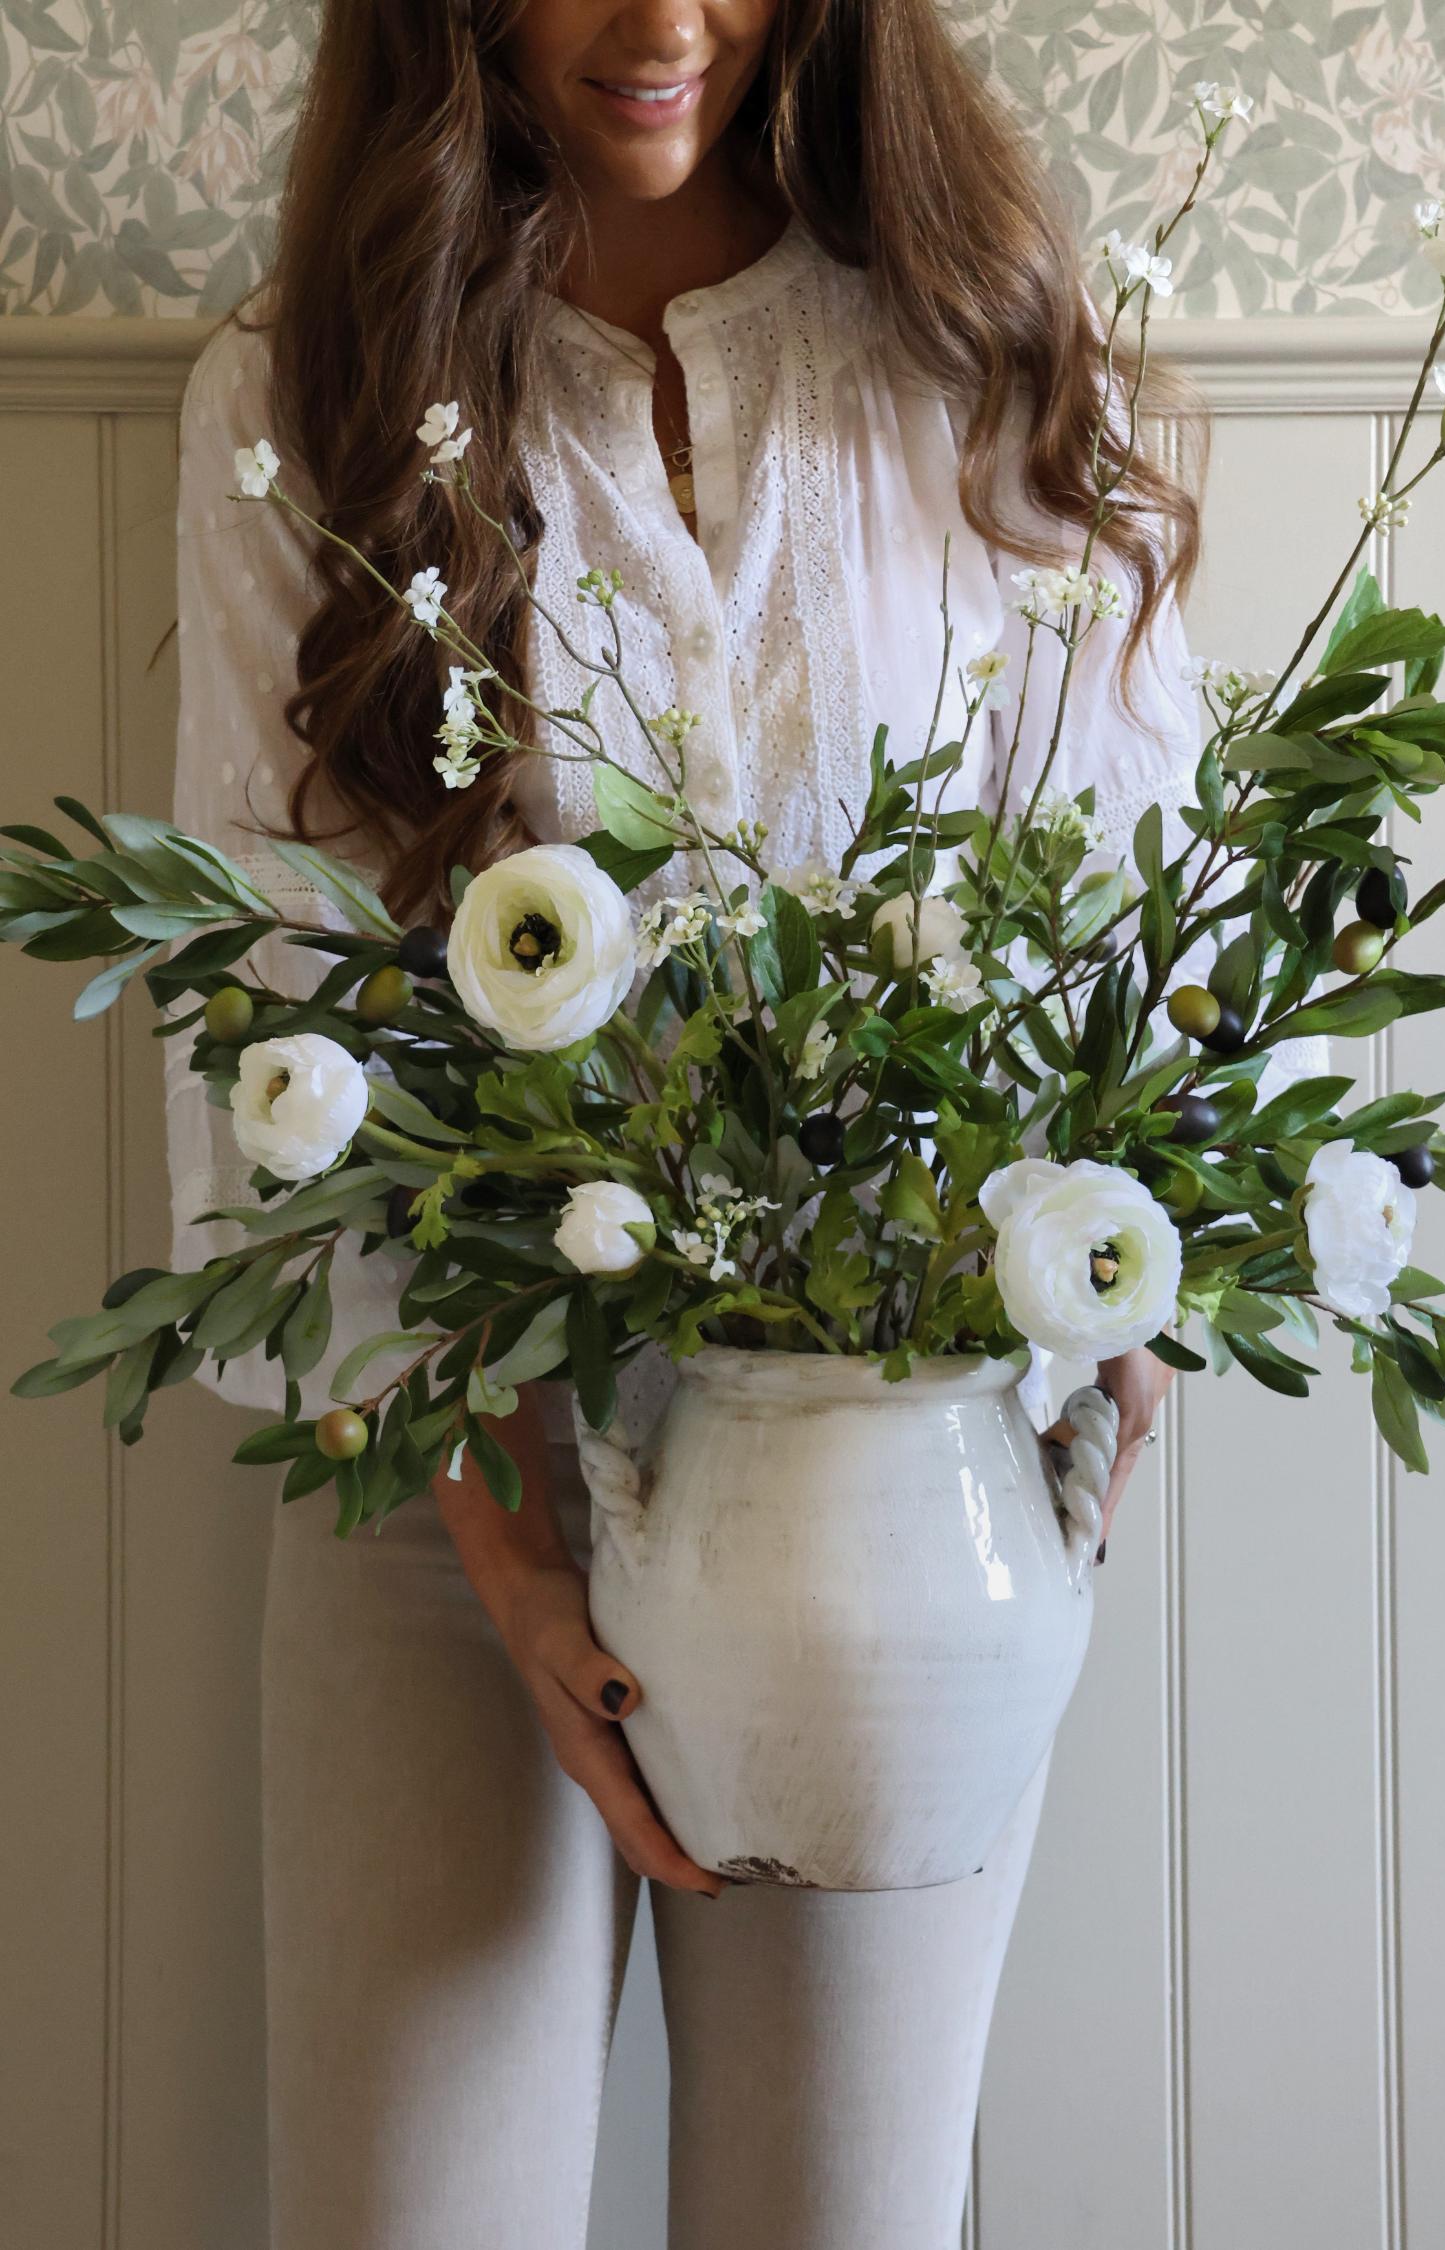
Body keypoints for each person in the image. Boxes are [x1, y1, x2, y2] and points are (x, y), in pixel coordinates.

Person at [167, 4, 1320, 2243]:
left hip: (896, 1476)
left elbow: (1141, 911)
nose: (666, 21)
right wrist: (511, 1542)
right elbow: (287, 1004)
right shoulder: (303, 399)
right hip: (454, 1470)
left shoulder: (977, 352)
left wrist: (1101, 1369)